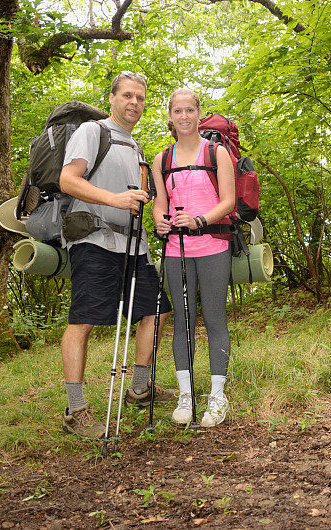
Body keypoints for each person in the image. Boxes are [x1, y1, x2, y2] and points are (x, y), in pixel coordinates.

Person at [58, 71, 173, 439]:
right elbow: (68, 180)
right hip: (94, 240)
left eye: (140, 97)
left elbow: (140, 198)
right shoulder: (93, 132)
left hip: (133, 246)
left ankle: (139, 388)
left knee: (156, 310)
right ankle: (76, 410)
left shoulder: (137, 146)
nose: (134, 103)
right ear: (111, 98)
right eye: (127, 95)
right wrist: (115, 199)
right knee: (84, 320)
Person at [152, 88, 235, 428]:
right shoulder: (162, 159)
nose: (183, 116)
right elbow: (160, 201)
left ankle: (217, 396)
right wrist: (159, 219)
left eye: (189, 110)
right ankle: (185, 396)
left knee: (214, 319)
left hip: (213, 245)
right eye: (177, 111)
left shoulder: (217, 153)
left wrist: (201, 220)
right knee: (182, 322)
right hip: (176, 250)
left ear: (198, 115)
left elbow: (227, 201)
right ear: (169, 117)